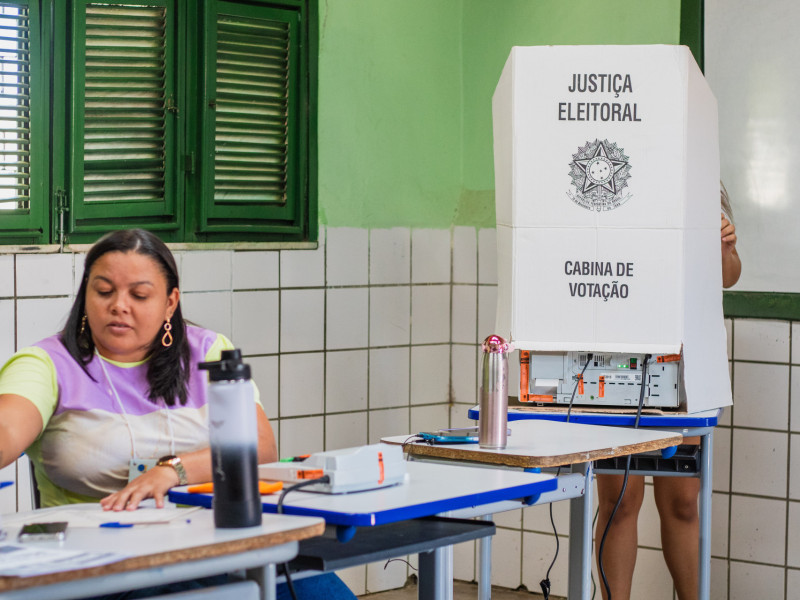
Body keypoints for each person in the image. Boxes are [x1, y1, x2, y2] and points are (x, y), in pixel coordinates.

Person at [0, 229, 355, 600]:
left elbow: (260, 448)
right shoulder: (47, 364)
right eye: (103, 291)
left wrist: (174, 470)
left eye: (139, 295)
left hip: (217, 542)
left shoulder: (208, 353)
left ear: (170, 303)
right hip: (102, 566)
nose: (119, 305)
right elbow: (7, 428)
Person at [594, 185, 741, 600]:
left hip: (686, 363)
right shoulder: (614, 186)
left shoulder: (702, 183)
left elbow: (728, 276)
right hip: (619, 354)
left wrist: (725, 249)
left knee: (682, 502)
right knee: (620, 501)